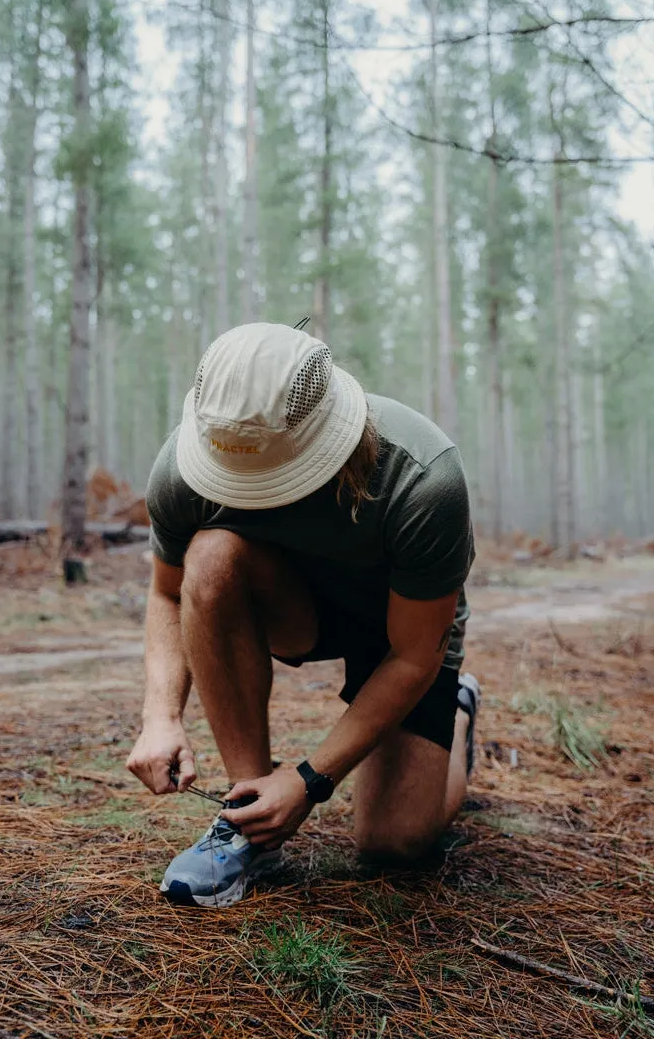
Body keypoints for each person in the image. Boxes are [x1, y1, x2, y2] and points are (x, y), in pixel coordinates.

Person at [125, 321, 480, 907]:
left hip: (399, 629)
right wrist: (160, 716)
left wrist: (311, 780)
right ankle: (249, 820)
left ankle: (460, 713)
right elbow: (168, 593)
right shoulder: (182, 468)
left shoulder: (421, 477)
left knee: (392, 843)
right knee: (209, 555)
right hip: (289, 604)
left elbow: (415, 652)